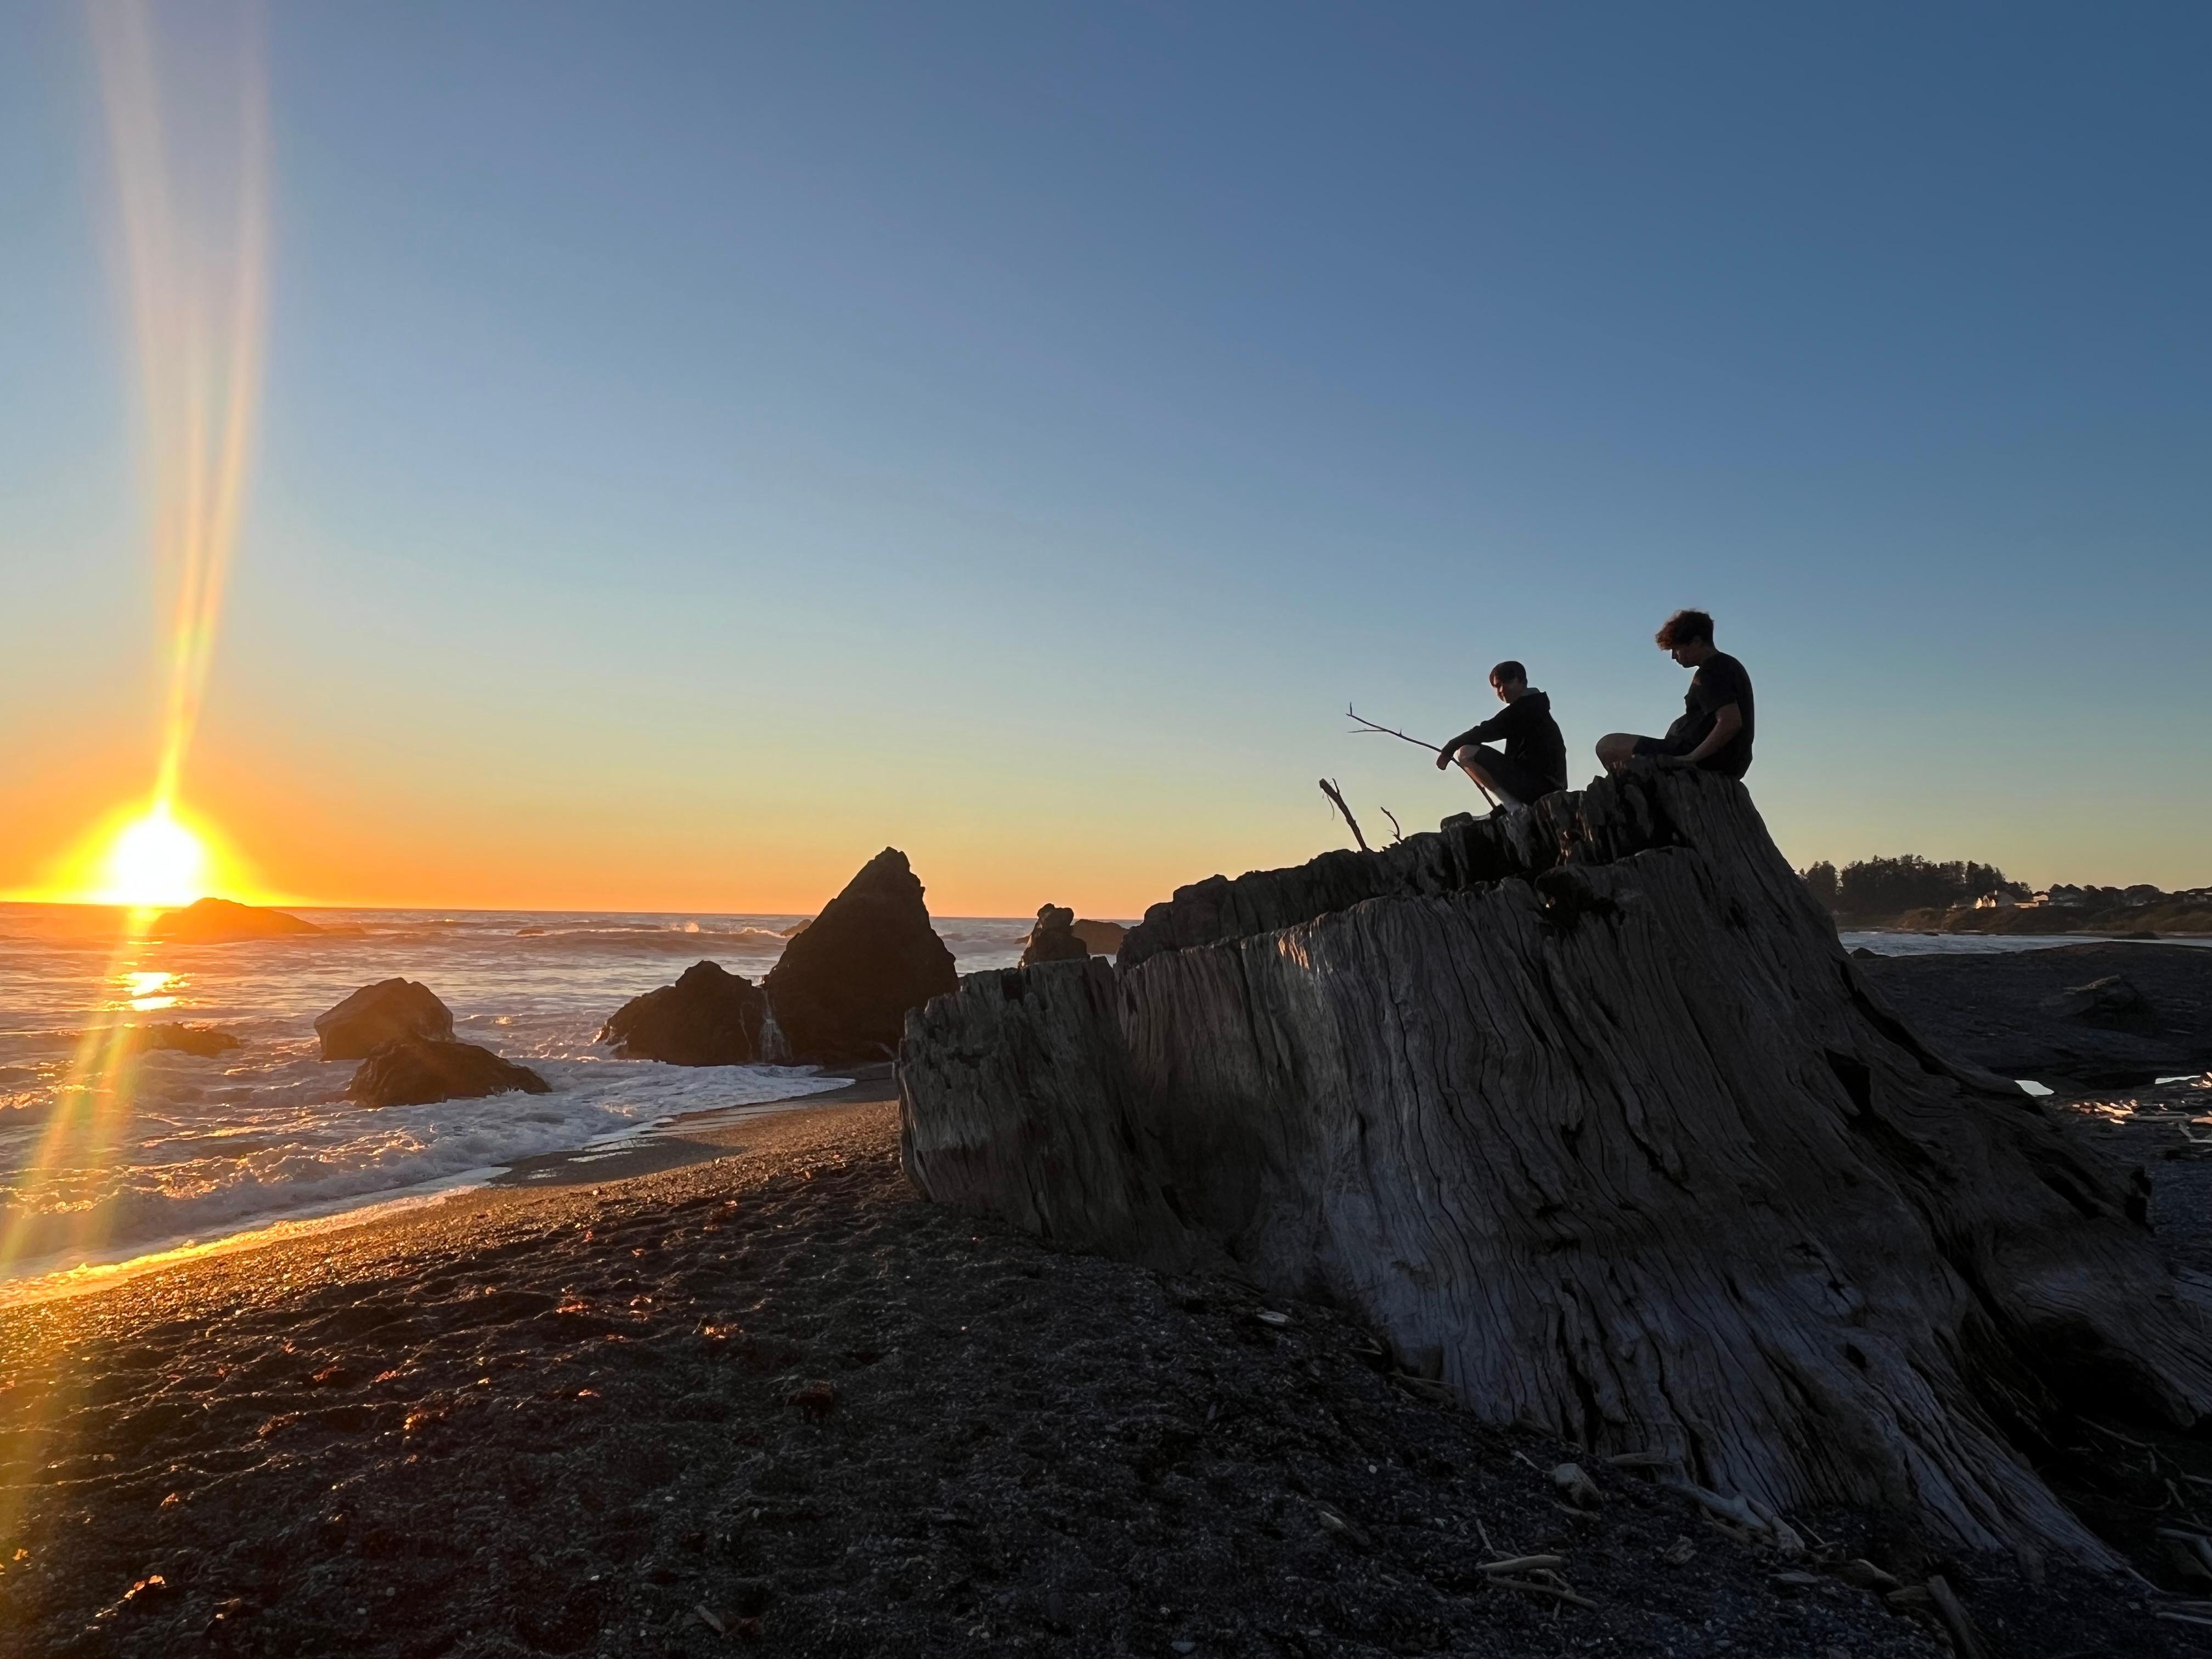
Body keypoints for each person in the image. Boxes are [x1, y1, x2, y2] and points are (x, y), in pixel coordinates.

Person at [1595, 608, 1754, 778]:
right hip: (1730, 761)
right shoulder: (1730, 665)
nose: (1674, 657)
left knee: (1607, 746)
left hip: (1705, 758)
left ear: (1697, 642)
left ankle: (1645, 795)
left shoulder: (1710, 672)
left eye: (1676, 649)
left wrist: (1691, 758)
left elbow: (1731, 721)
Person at [1434, 661, 1568, 809]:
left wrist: (1449, 748)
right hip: (1541, 784)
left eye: (1508, 682)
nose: (1502, 689)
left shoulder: (1527, 709)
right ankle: (1510, 805)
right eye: (1497, 686)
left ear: (1523, 682)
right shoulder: (1533, 707)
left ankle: (1513, 806)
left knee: (1466, 752)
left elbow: (1487, 730)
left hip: (1543, 787)